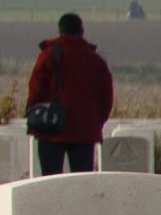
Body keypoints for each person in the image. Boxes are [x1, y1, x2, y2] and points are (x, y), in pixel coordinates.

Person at [26, 12, 117, 178]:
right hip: (85, 130)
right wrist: (96, 122)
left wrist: (33, 115)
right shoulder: (96, 61)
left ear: (60, 31)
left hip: (51, 128)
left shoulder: (48, 56)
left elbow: (35, 89)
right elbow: (106, 97)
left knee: (50, 182)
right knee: (82, 182)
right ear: (82, 31)